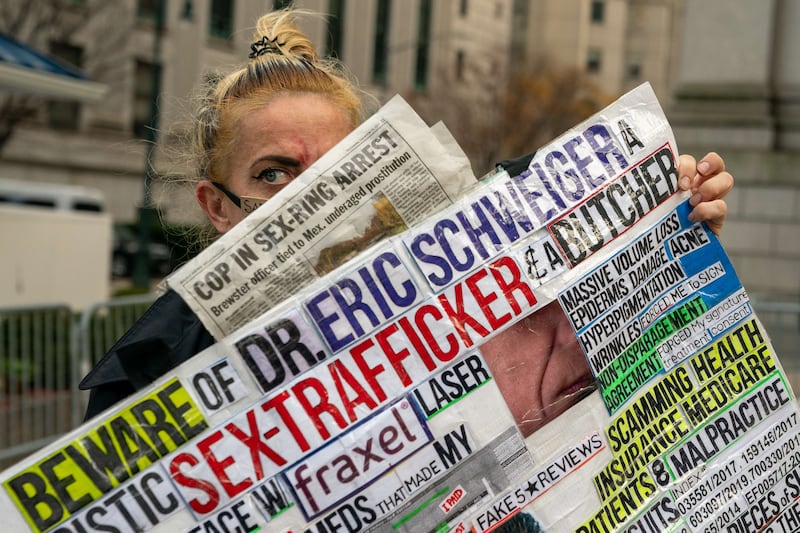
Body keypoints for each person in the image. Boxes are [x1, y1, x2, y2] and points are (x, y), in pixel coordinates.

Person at [79, 9, 734, 431]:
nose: (314, 201)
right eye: (274, 173)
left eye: (340, 172)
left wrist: (665, 227)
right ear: (217, 205)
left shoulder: (459, 303)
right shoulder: (143, 381)